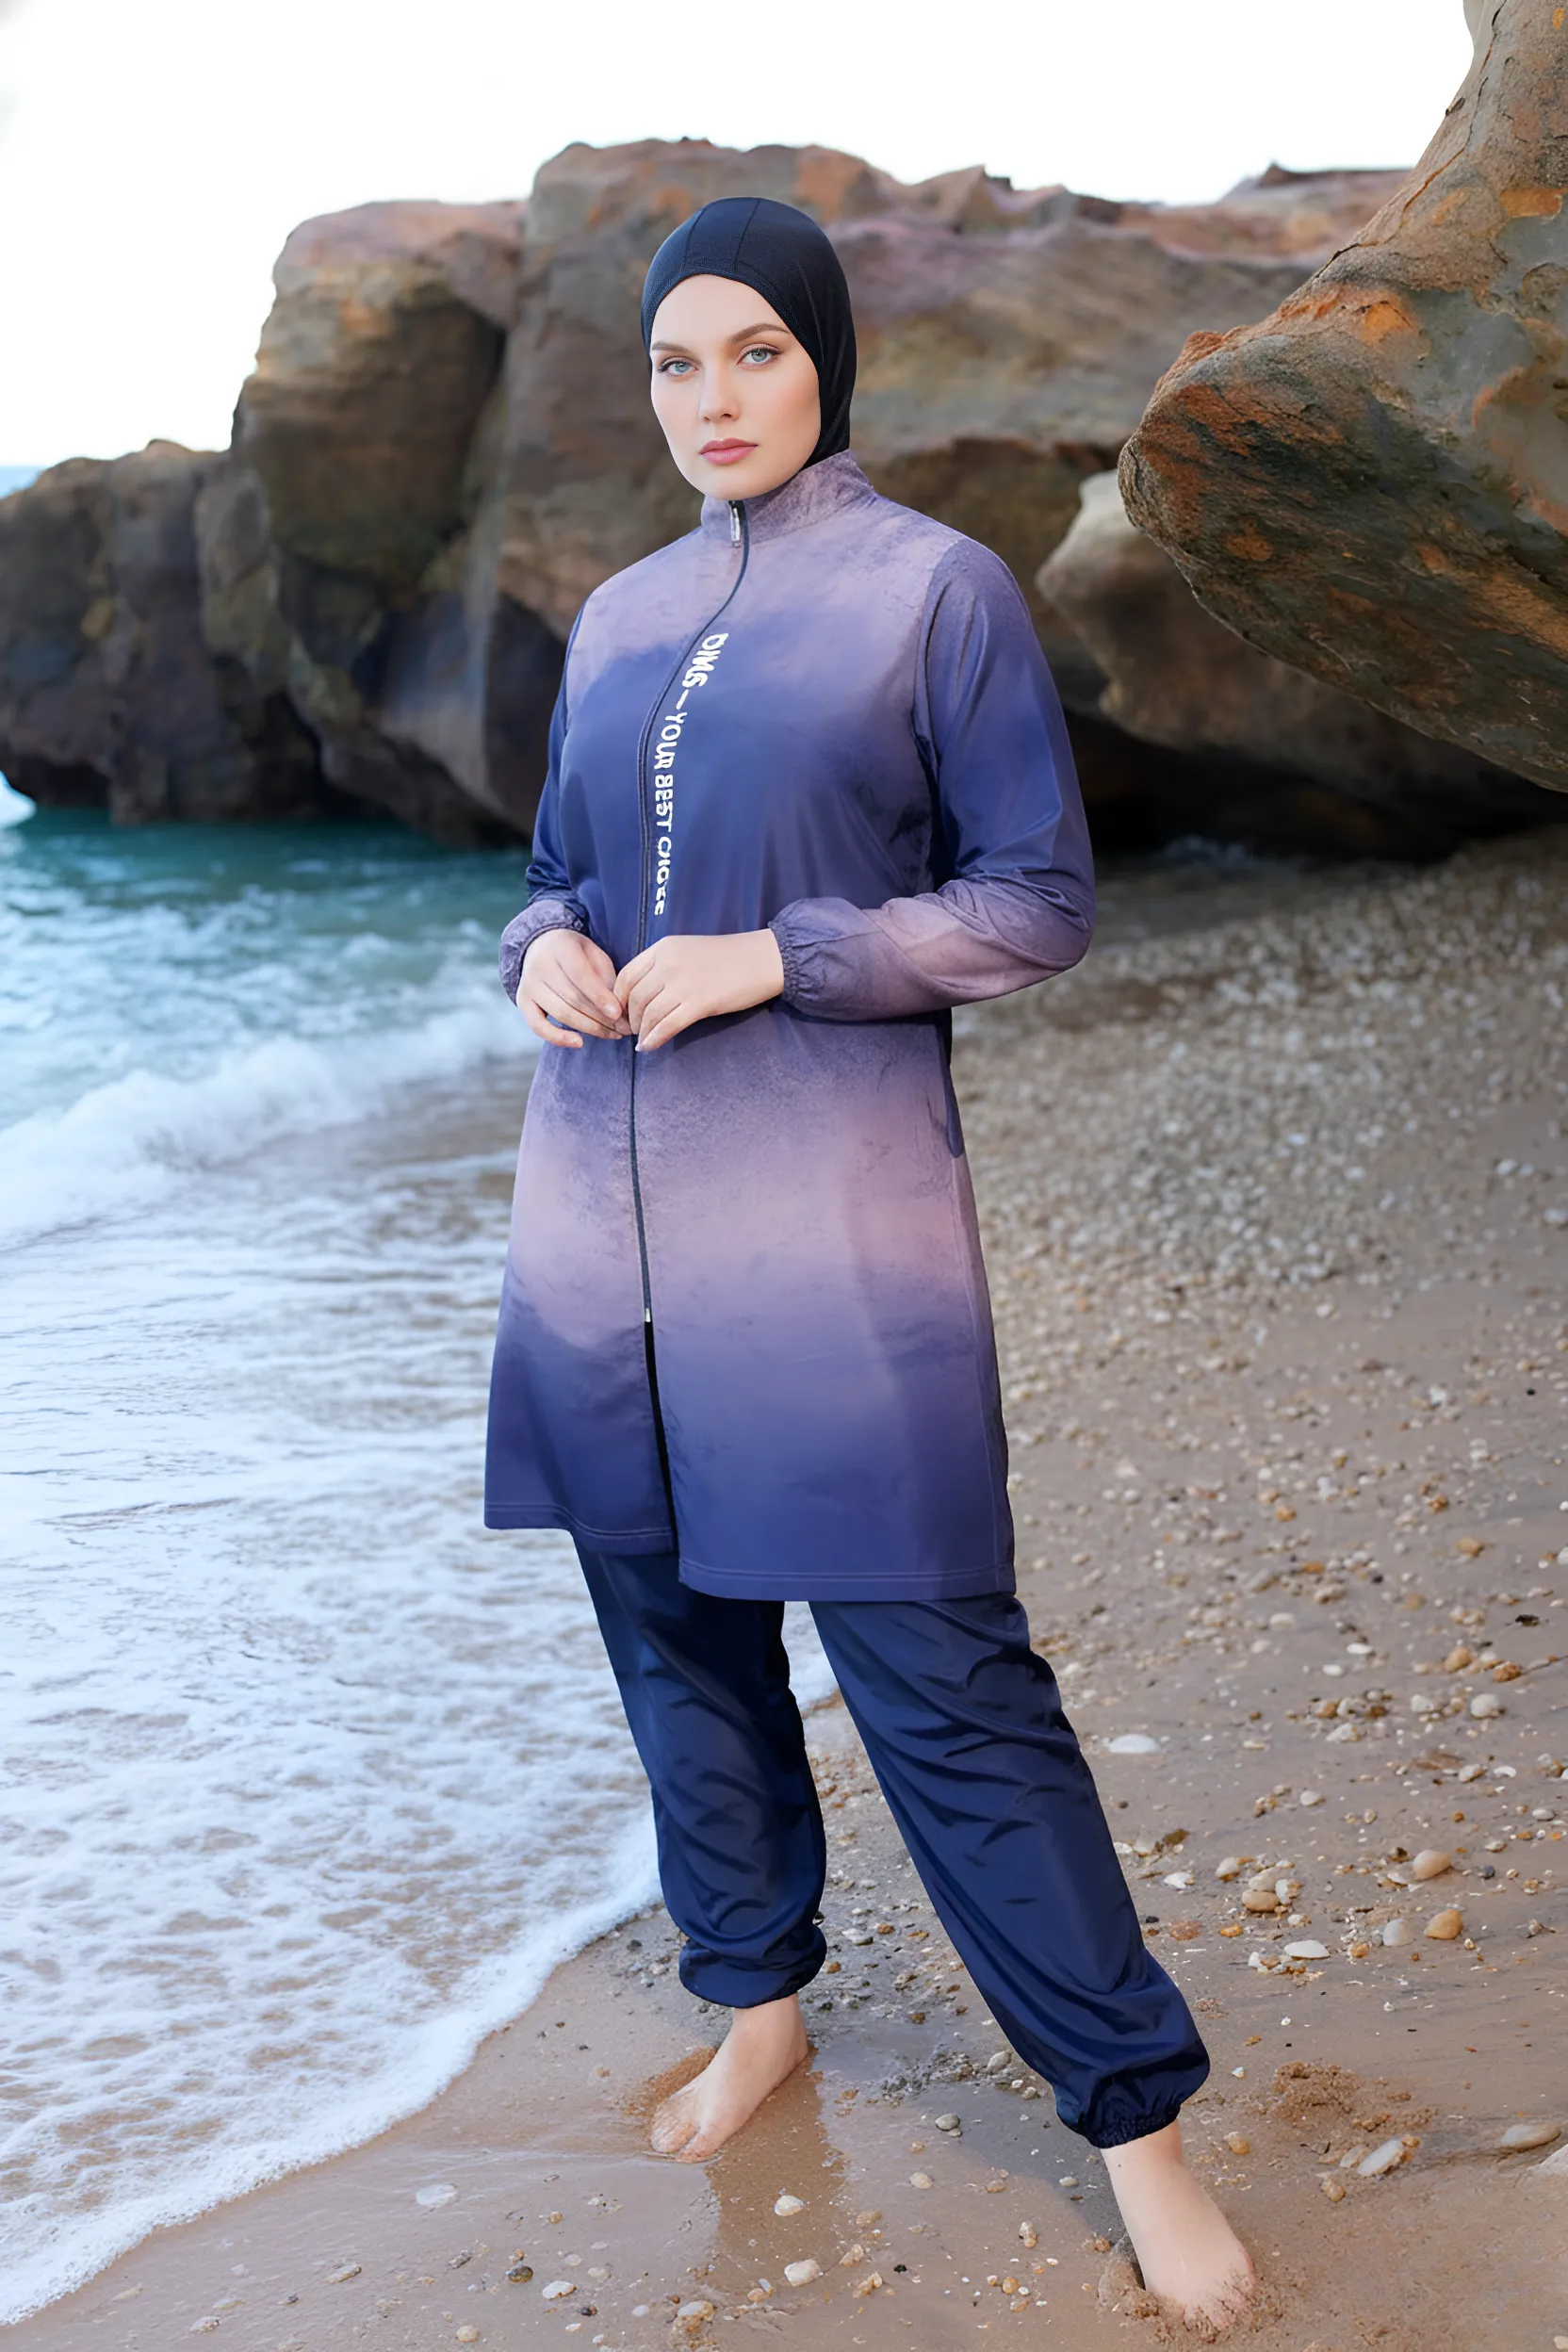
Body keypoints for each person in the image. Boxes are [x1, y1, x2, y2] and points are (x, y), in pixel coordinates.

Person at [485, 195, 1255, 2330]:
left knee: (943, 1678)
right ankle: (757, 2011)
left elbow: (1034, 901)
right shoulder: (617, 615)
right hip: (600, 1222)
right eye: (676, 362)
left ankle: (1137, 2129)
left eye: (755, 351)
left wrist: (780, 956)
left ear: (826, 359)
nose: (713, 397)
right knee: (676, 1649)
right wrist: (541, 948)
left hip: (831, 1234)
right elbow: (551, 871)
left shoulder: (933, 590)